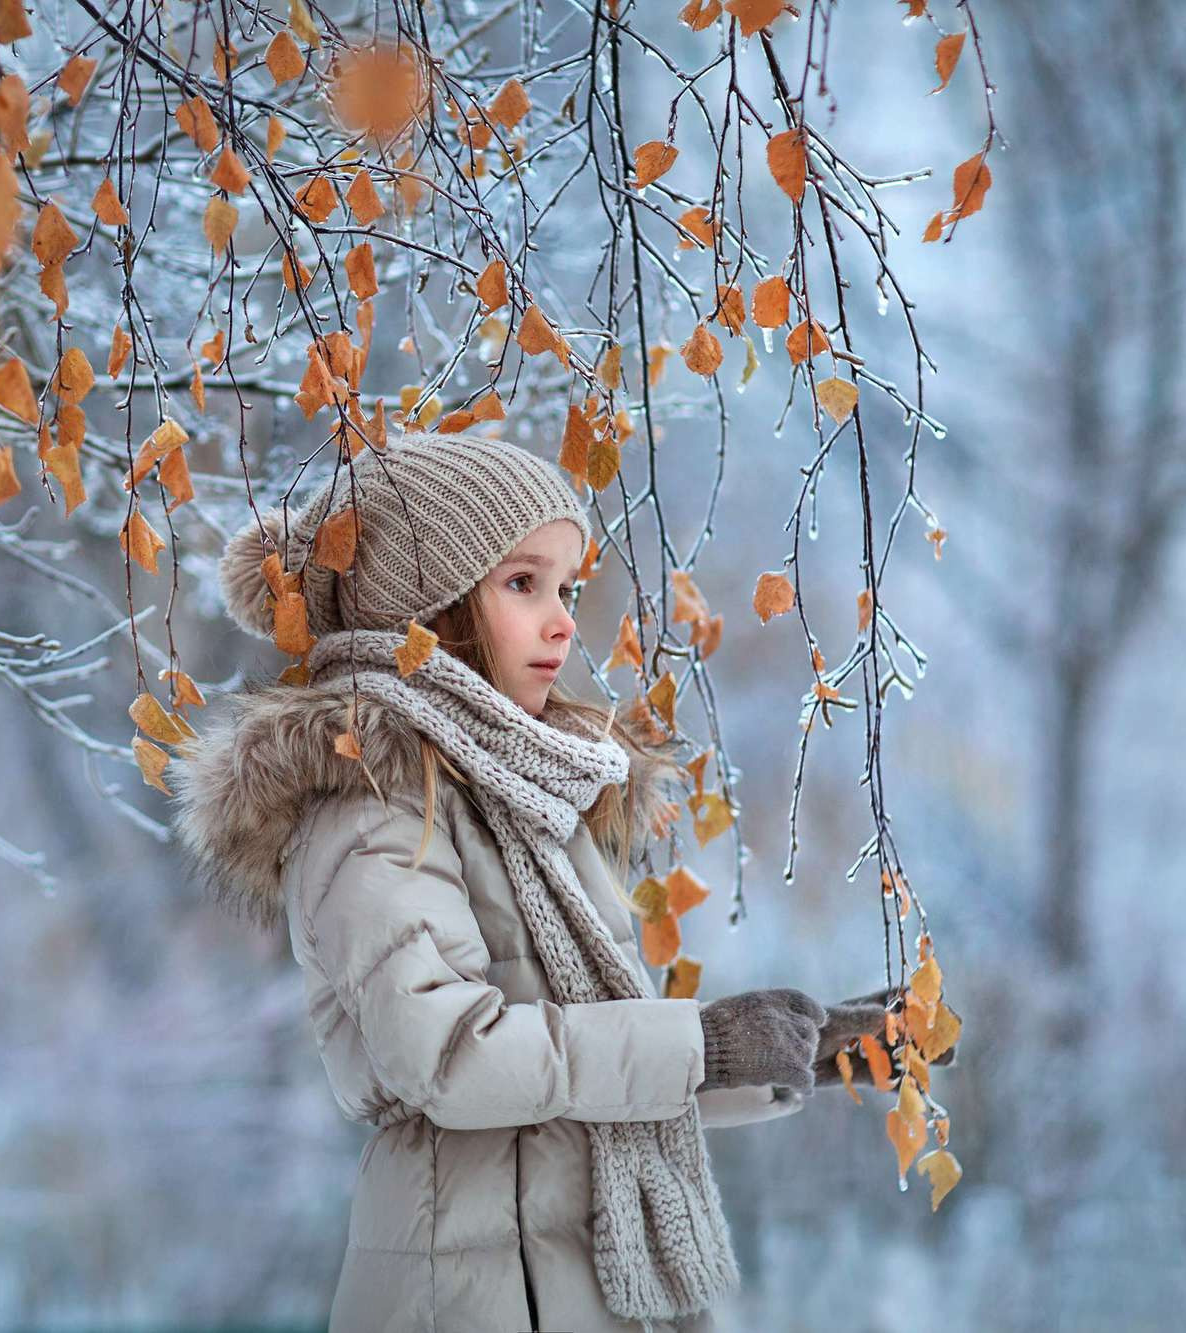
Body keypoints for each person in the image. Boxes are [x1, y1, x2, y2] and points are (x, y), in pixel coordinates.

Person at [170, 429, 921, 1332]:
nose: (564, 618)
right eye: (522, 583)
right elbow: (456, 1057)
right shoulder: (372, 802)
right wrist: (706, 1044)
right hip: (470, 1293)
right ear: (428, 602)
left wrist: (809, 1046)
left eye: (567, 586)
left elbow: (591, 1066)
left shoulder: (525, 790)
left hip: (565, 1276)